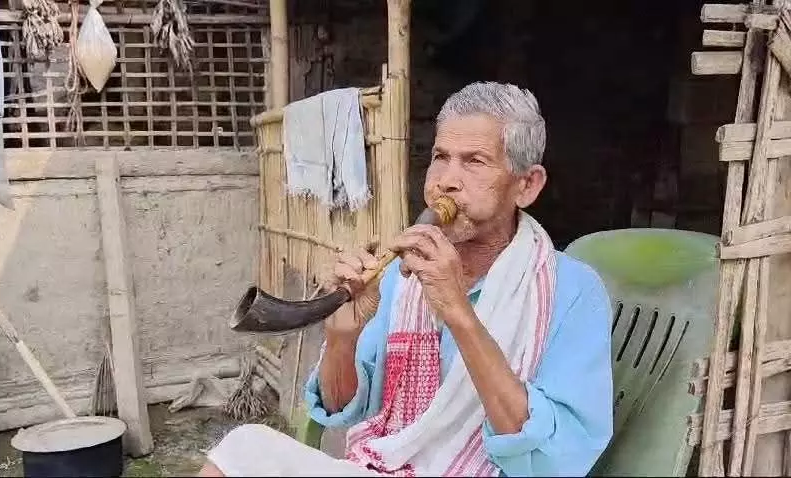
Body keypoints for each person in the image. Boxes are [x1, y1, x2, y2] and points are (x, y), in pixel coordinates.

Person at [199, 81, 614, 477]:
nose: (445, 182)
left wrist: (459, 313)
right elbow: (344, 405)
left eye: (475, 161)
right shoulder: (403, 279)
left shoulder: (573, 293)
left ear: (526, 185)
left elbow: (555, 463)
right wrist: (342, 338)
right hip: (388, 466)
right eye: (440, 157)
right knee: (244, 448)